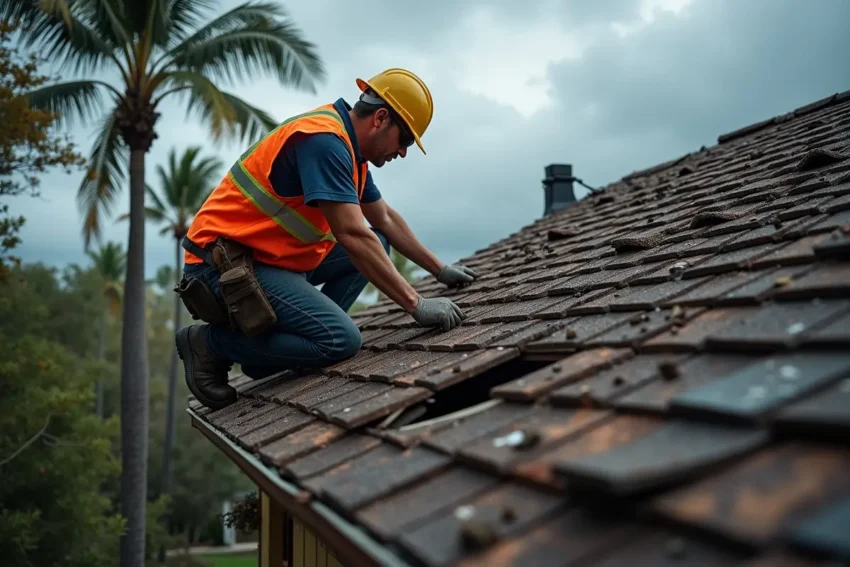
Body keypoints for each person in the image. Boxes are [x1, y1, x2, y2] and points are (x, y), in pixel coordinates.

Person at [174, 68, 479, 410]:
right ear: (380, 118)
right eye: (405, 139)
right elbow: (352, 234)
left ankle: (267, 355)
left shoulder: (351, 153)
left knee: (378, 242)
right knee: (339, 340)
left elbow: (383, 219)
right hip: (220, 265)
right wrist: (416, 304)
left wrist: (439, 269)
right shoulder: (324, 141)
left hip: (267, 259)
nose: (404, 152)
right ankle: (210, 344)